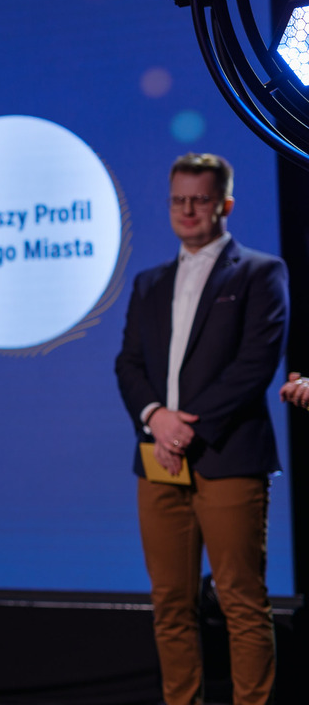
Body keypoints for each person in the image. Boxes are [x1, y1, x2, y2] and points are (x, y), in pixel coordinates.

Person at [114, 152, 287, 705]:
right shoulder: (148, 282)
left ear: (225, 205)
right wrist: (156, 418)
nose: (187, 210)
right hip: (157, 461)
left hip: (228, 456)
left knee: (241, 600)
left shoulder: (261, 272)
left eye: (200, 200)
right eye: (178, 200)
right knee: (170, 603)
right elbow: (129, 365)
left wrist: (186, 428)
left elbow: (255, 365)